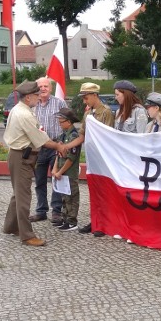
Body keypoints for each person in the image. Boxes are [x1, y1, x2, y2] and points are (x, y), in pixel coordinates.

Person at [2, 80, 64, 247]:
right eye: (36, 95)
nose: (39, 97)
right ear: (28, 97)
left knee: (18, 194)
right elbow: (40, 139)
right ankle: (27, 235)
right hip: (21, 156)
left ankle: (11, 226)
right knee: (23, 197)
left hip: (20, 155)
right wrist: (58, 145)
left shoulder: (20, 109)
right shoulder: (24, 114)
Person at [60, 82, 115, 237]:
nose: (85, 101)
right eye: (83, 98)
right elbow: (82, 136)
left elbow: (108, 137)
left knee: (104, 191)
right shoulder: (88, 114)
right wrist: (67, 146)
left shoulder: (106, 112)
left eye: (86, 97)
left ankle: (105, 223)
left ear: (95, 95)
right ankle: (96, 221)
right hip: (92, 158)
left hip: (103, 158)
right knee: (94, 191)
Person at [30, 77, 68, 226]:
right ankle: (41, 211)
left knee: (56, 179)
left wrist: (63, 142)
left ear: (51, 89)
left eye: (46, 86)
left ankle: (56, 211)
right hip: (39, 147)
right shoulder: (33, 105)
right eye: (40, 86)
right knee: (39, 180)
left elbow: (68, 122)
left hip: (55, 145)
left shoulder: (59, 103)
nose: (43, 89)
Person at [51, 108, 82, 232]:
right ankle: (65, 217)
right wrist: (55, 169)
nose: (59, 123)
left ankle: (72, 221)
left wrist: (60, 171)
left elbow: (71, 158)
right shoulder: (63, 135)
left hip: (69, 172)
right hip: (61, 172)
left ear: (68, 122)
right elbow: (58, 154)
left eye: (61, 121)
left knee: (72, 196)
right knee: (64, 196)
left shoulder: (74, 136)